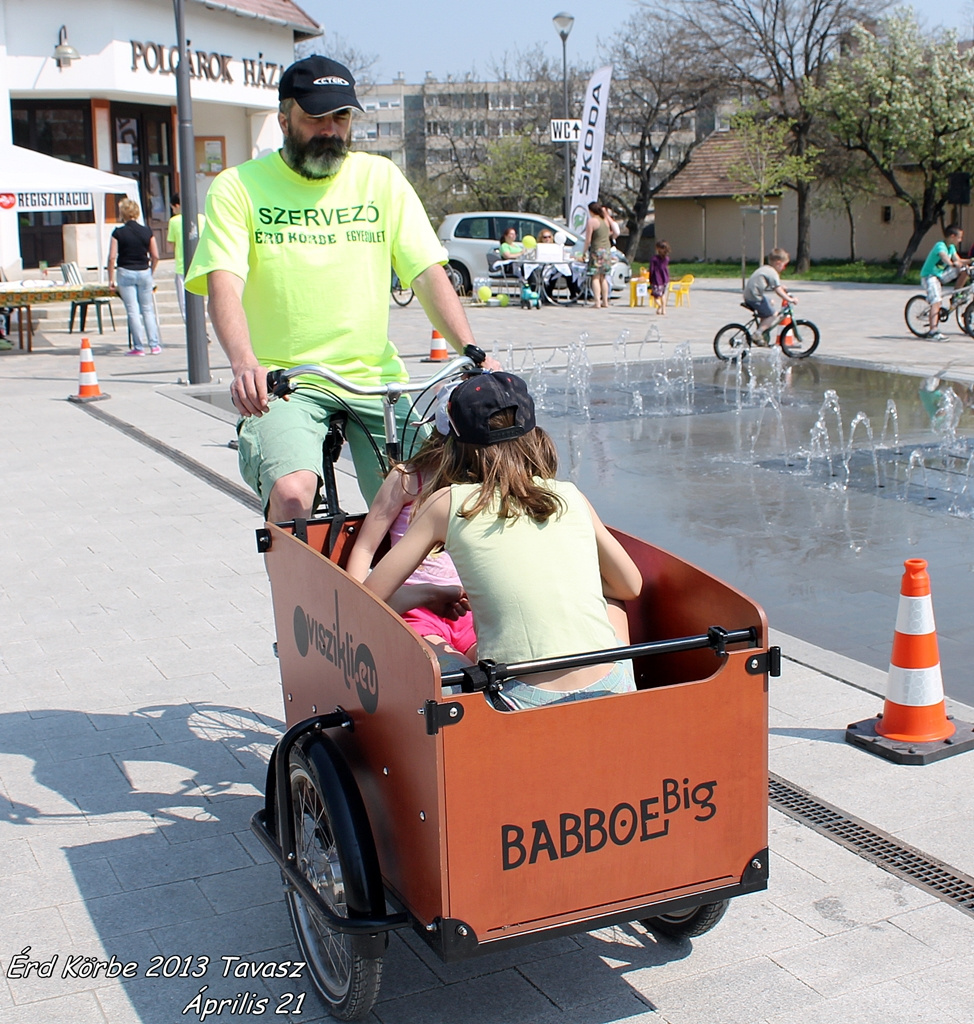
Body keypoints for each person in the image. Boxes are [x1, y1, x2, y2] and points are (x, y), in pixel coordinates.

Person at [184, 56, 484, 520]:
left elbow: (426, 272)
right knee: (292, 493)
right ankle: (296, 593)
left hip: (373, 381)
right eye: (315, 118)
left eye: (340, 117)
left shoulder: (380, 179)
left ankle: (397, 588)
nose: (329, 129)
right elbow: (223, 281)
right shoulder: (238, 187)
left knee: (429, 498)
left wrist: (471, 351)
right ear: (284, 120)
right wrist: (245, 363)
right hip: (285, 382)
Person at [362, 371, 643, 710]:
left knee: (435, 654)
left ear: (454, 443)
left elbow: (366, 602)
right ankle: (627, 700)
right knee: (612, 601)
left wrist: (427, 594)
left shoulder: (447, 503)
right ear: (535, 434)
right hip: (611, 684)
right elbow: (631, 586)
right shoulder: (570, 495)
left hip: (519, 698)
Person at [346, 393, 476, 667]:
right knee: (456, 672)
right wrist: (355, 611)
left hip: (471, 607)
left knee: (495, 669)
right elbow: (366, 546)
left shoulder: (483, 480)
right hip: (416, 607)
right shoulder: (409, 477)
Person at [108, 198, 162, 356]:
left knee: (132, 310)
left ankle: (139, 347)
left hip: (125, 271)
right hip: (144, 271)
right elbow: (156, 255)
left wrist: (110, 279)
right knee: (147, 309)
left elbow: (112, 257)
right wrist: (151, 271)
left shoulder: (118, 233)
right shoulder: (147, 231)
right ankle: (154, 345)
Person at [920, 225, 970, 342]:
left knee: (964, 270)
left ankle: (956, 296)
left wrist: (970, 260)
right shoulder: (940, 246)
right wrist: (951, 263)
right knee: (936, 301)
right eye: (959, 237)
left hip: (940, 276)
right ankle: (932, 331)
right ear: (952, 236)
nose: (960, 240)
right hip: (929, 276)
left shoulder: (951, 247)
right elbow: (944, 258)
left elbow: (958, 260)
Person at [743, 247, 796, 343]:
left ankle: (762, 337)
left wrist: (780, 286)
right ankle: (758, 334)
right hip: (755, 298)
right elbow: (777, 290)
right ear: (778, 263)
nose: (784, 268)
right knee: (773, 314)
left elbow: (772, 285)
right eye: (784, 266)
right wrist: (789, 299)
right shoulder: (773, 273)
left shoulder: (765, 268)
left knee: (770, 302)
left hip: (749, 295)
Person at [166, 193, 205, 322]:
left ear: (177, 205)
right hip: (200, 263)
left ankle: (190, 326)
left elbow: (171, 245)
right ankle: (202, 326)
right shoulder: (201, 218)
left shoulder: (174, 221)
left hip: (182, 266)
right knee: (200, 299)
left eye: (173, 208)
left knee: (184, 302)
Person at [584, 202, 613, 309]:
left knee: (595, 277)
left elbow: (588, 239)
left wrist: (584, 251)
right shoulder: (605, 221)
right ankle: (605, 301)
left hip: (596, 250)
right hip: (607, 251)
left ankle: (597, 302)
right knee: (603, 277)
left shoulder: (592, 221)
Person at [649, 240, 671, 315]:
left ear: (658, 248)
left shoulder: (654, 259)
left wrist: (650, 279)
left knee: (656, 296)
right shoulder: (667, 259)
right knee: (663, 294)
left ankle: (660, 306)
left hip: (656, 279)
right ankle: (663, 310)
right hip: (665, 278)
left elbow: (651, 270)